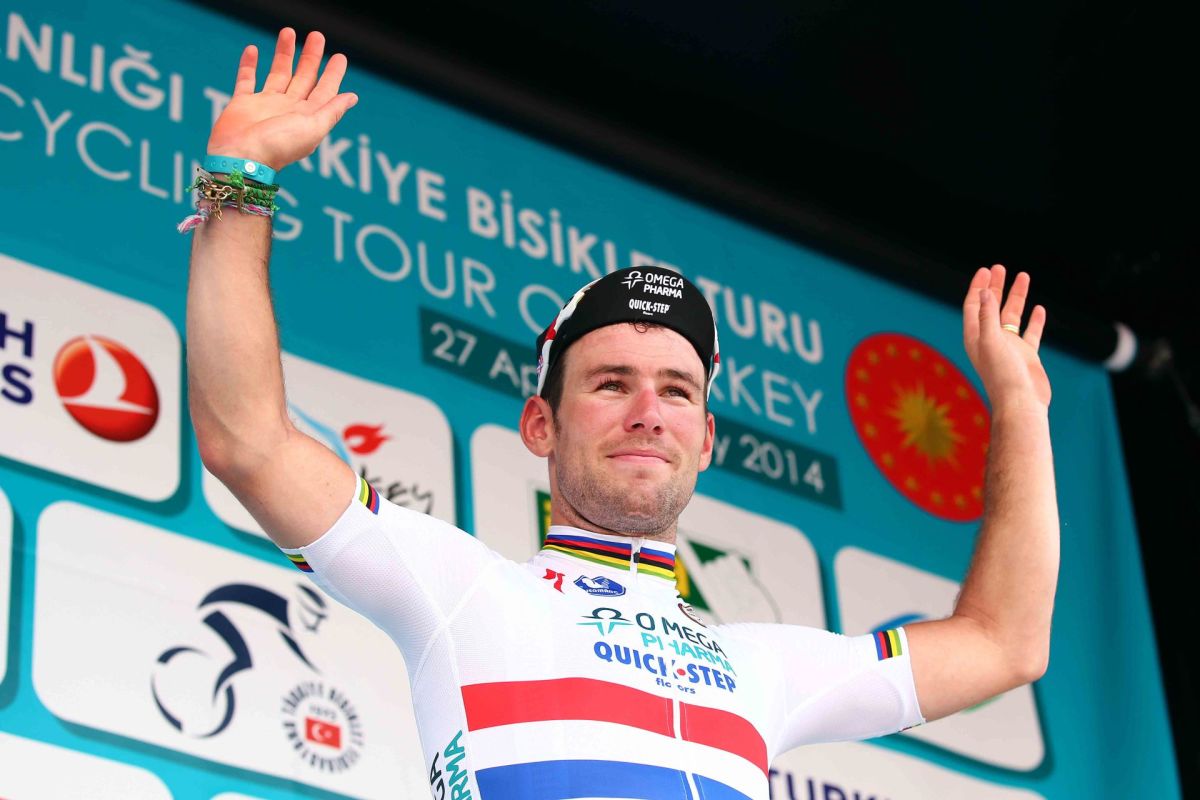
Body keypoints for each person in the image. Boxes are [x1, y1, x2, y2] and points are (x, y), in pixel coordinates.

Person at [186, 28, 1059, 800]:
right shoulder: (463, 595)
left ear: (706, 439)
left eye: (677, 390)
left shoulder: (766, 670)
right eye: (611, 384)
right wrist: (240, 180)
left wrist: (1021, 408)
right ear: (540, 424)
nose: (649, 412)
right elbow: (248, 443)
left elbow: (1004, 644)